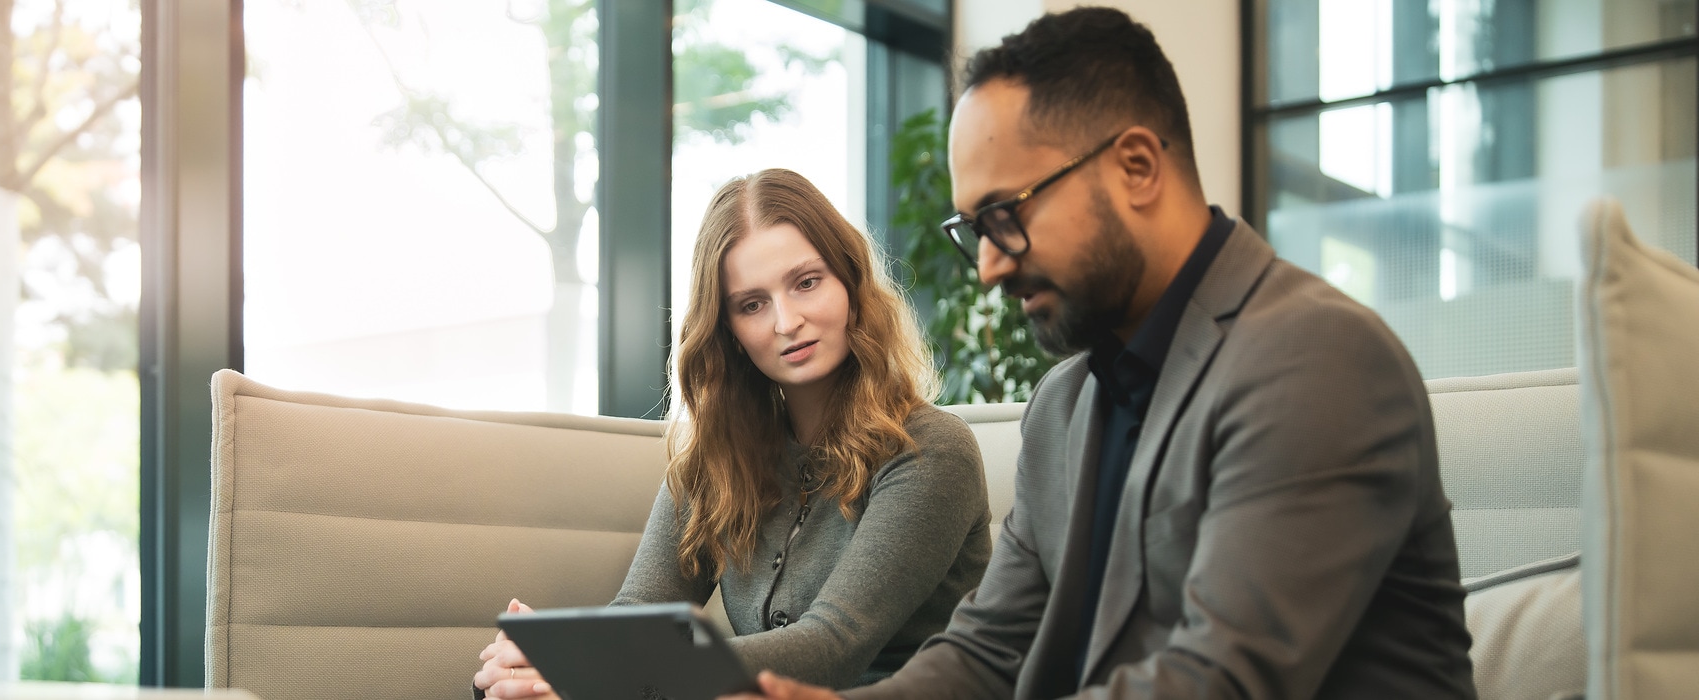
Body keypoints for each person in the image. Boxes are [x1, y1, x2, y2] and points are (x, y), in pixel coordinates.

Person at [734, 8, 1477, 700]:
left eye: (1005, 216)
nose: (989, 265)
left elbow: (1221, 680)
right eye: (975, 230)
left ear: (1136, 168)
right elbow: (989, 652)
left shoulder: (1317, 359)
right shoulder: (1063, 406)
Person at [471, 168, 995, 699]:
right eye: (752, 304)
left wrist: (593, 663)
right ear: (728, 332)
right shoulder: (715, 462)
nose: (786, 321)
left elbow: (830, 649)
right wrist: (535, 668)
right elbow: (638, 616)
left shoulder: (929, 448)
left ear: (851, 284)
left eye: (806, 282)